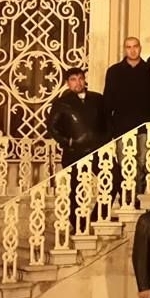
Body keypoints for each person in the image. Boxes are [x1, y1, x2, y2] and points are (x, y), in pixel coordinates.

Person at [45, 67, 108, 233]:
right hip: (74, 152)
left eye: (80, 78)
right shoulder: (61, 103)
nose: (78, 83)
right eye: (73, 79)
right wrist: (69, 141)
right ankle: (78, 224)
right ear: (68, 83)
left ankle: (96, 216)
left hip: (97, 151)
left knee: (112, 178)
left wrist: (104, 140)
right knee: (76, 189)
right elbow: (52, 127)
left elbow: (107, 121)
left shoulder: (97, 99)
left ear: (84, 80)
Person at [104, 37, 150, 194]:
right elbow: (108, 99)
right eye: (129, 47)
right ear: (124, 49)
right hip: (122, 126)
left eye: (135, 46)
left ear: (140, 48)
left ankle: (138, 197)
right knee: (125, 164)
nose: (132, 50)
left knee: (143, 163)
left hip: (145, 126)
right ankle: (127, 198)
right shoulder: (114, 71)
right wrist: (109, 127)